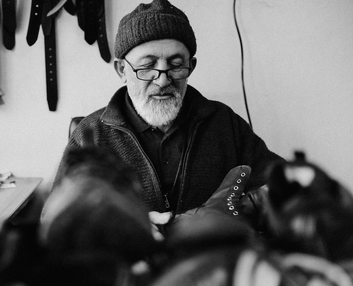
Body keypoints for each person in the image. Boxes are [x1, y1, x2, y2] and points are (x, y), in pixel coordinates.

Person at [53, 0, 284, 234]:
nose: (163, 80)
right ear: (122, 70)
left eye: (175, 65)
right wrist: (120, 228)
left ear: (191, 67)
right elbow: (55, 223)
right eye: (147, 66)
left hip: (211, 259)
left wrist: (237, 215)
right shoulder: (90, 135)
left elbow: (283, 189)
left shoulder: (224, 122)